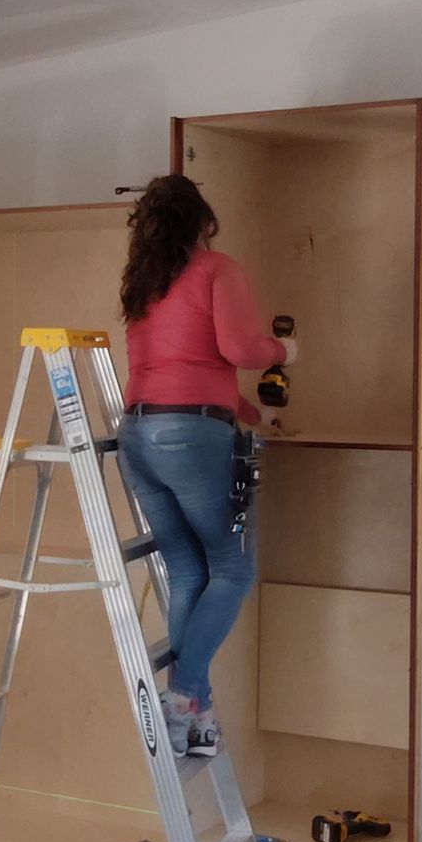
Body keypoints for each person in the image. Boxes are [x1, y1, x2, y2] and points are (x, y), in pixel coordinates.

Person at [116, 175, 296, 757]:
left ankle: (190, 714)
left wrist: (253, 415)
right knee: (234, 569)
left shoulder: (144, 282)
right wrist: (283, 352)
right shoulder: (216, 268)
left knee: (189, 569)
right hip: (192, 441)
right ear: (204, 222)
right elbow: (239, 351)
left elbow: (186, 369)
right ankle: (186, 695)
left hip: (139, 436)